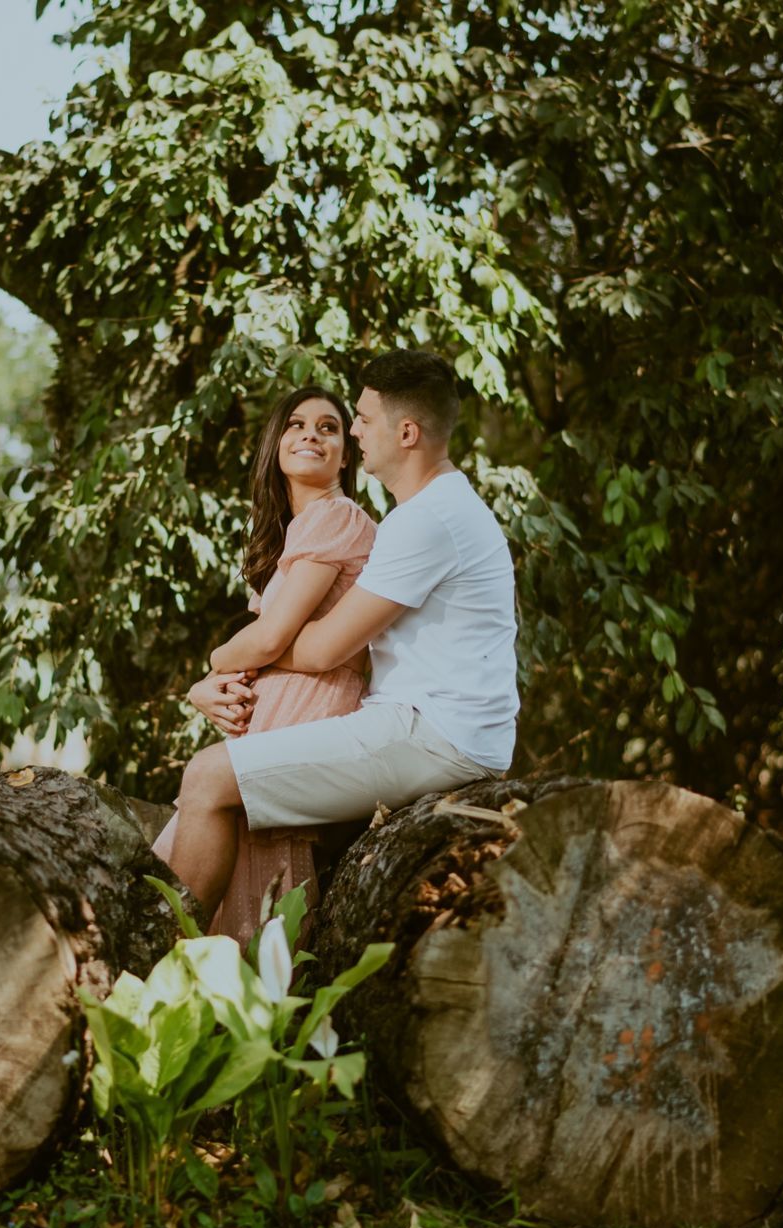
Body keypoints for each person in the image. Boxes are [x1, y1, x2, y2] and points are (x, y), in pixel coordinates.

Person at [167, 350, 519, 921]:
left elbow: (329, 647)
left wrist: (228, 659)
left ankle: (163, 964)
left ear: (406, 432)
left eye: (361, 418)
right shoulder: (430, 511)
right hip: (426, 725)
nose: (354, 430)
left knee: (208, 776)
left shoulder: (429, 519)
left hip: (435, 734)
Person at [153, 385, 378, 942]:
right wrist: (207, 689)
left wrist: (212, 662)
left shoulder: (337, 518)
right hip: (281, 702)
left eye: (329, 428)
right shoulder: (295, 532)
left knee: (253, 870)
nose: (311, 435)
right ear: (276, 445)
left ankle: (212, 996)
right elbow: (266, 645)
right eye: (297, 425)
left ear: (345, 455)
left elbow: (271, 637)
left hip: (312, 702)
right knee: (197, 856)